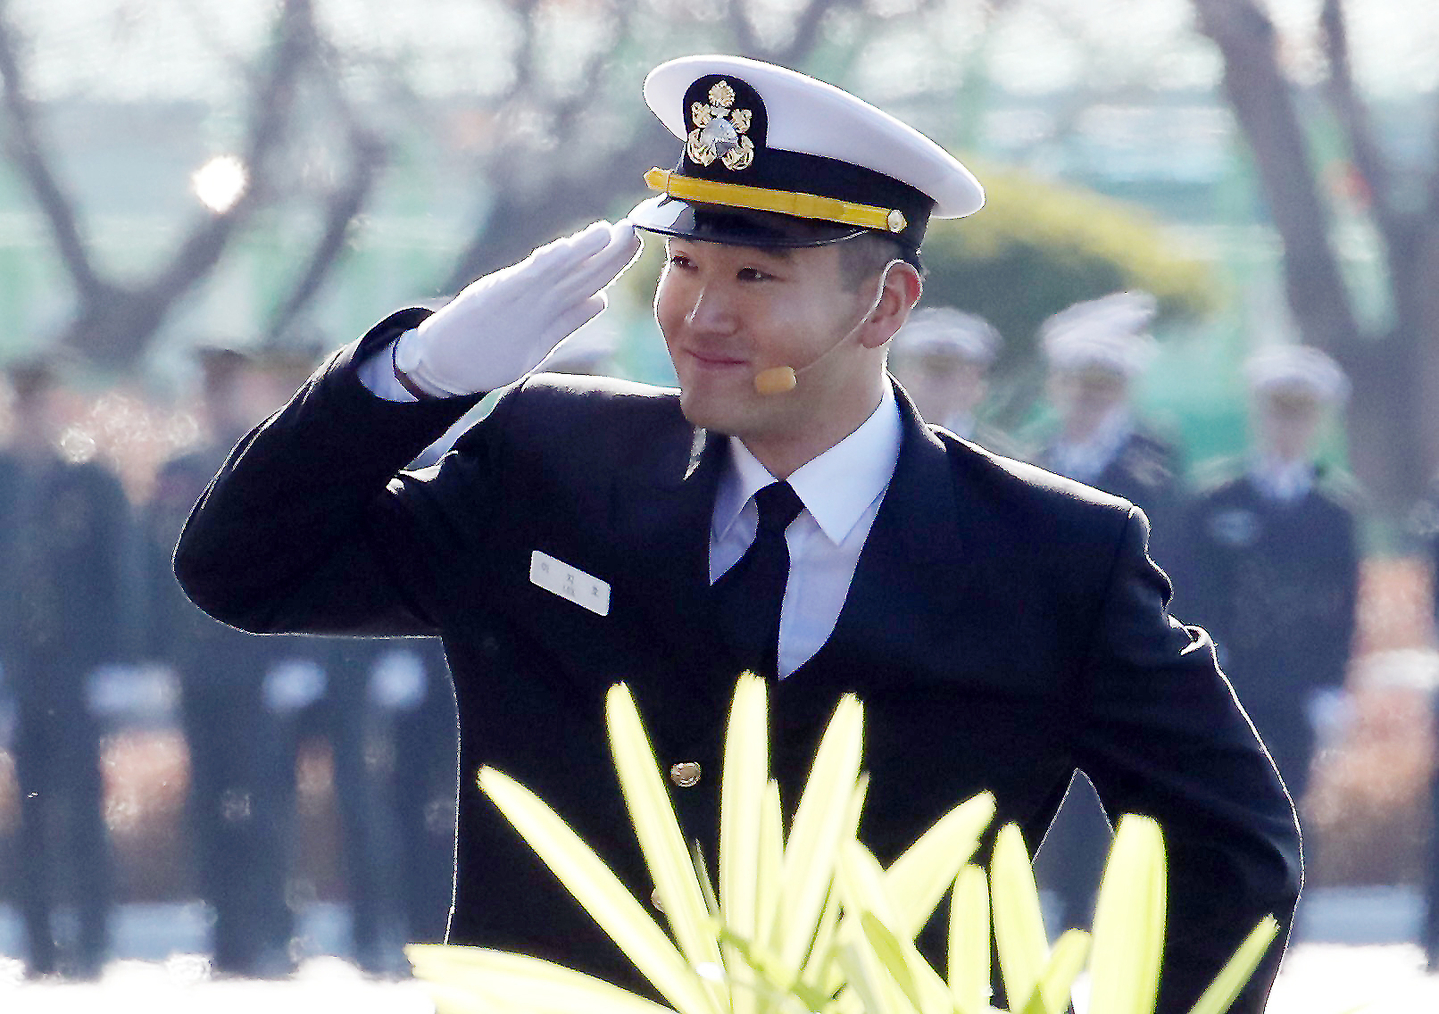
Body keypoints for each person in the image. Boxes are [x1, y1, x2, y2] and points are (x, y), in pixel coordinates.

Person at [173, 55, 1300, 1013]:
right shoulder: (554, 461)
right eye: (683, 266)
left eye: (756, 275)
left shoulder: (1051, 553)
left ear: (886, 305)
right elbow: (243, 572)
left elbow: (1233, 850)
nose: (700, 316)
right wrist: (412, 380)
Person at [144, 345, 296, 976]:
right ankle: (225, 935)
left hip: (257, 665)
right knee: (208, 803)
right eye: (208, 391)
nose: (215, 402)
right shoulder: (178, 469)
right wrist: (151, 657)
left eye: (225, 389)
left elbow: (295, 559)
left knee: (261, 801)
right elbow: (151, 573)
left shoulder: (267, 459)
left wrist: (295, 653)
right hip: (197, 668)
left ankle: (270, 929)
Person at [1175, 345, 1359, 807]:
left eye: (1301, 416)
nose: (1288, 428)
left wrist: (1333, 684)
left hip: (1299, 683)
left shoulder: (1333, 511)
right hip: (1231, 677)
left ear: (1318, 422)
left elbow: (1344, 606)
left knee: (1291, 806)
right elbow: (1192, 590)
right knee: (1225, 803)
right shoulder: (1214, 500)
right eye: (1278, 413)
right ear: (1258, 416)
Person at [0, 355, 128, 978]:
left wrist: (117, 666)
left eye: (42, 403)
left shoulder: (90, 482)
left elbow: (119, 582)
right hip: (19, 674)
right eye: (22, 404)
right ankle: (41, 945)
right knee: (27, 811)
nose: (31, 417)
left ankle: (94, 940)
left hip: (77, 674)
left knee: (82, 808)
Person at [888, 306, 1015, 453]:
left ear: (977, 384)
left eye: (946, 373)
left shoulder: (1000, 456)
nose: (934, 386)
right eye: (928, 369)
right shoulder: (876, 441)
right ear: (898, 375)